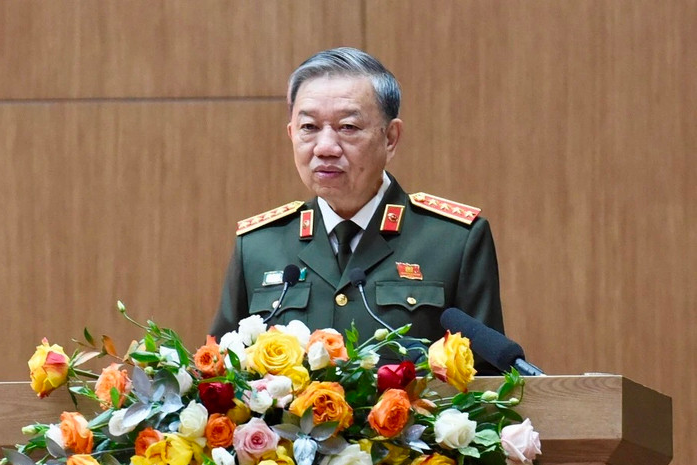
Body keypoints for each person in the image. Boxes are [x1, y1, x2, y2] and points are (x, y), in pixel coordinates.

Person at [210, 47, 503, 373]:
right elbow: (221, 381)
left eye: (348, 127)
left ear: (390, 138)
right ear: (291, 134)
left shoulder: (454, 241)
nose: (325, 147)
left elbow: (486, 386)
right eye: (309, 127)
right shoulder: (258, 245)